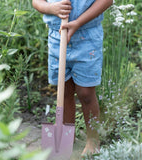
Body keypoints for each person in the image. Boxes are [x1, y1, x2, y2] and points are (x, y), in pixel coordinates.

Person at [32, 0, 113, 157]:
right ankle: (66, 135)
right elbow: (37, 2)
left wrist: (77, 22)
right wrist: (51, 8)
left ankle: (93, 140)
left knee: (86, 93)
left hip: (87, 38)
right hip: (57, 37)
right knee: (64, 91)